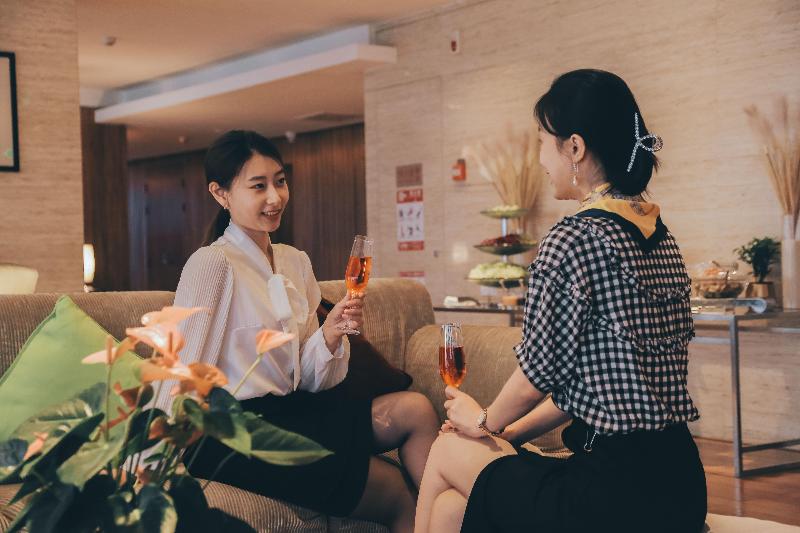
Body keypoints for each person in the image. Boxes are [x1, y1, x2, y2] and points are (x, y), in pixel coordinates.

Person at [414, 69, 707, 533]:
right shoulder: (660, 237)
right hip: (679, 486)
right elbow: (595, 387)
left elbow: (537, 374)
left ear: (574, 147)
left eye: (541, 142)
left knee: (448, 448)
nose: (539, 159)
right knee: (452, 508)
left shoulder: (572, 238)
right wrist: (507, 433)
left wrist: (482, 420)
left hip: (610, 495)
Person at [159, 130, 439, 532]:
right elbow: (179, 368)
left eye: (280, 181)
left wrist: (330, 334)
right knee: (395, 493)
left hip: (294, 410)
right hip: (236, 429)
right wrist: (149, 462)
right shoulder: (211, 264)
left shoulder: (295, 262)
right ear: (221, 194)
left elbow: (308, 378)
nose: (275, 197)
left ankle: (456, 516)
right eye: (259, 186)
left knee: (416, 409)